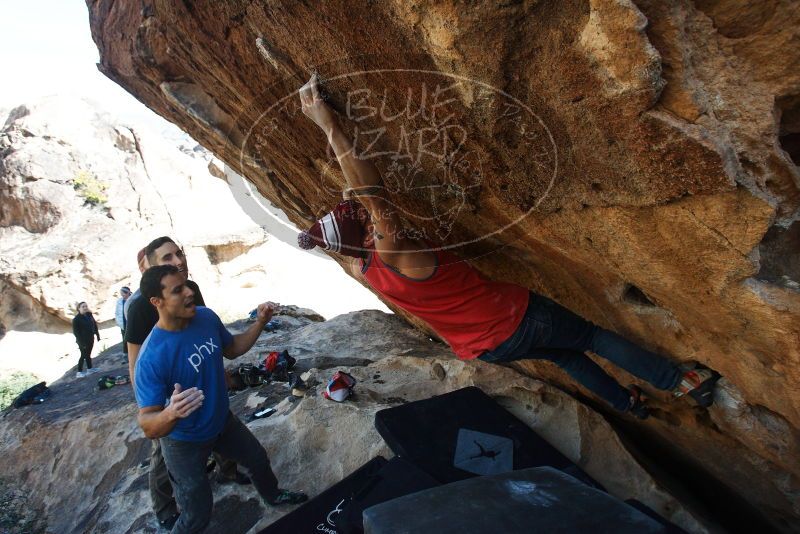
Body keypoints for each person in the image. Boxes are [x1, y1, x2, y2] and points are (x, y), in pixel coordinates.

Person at [296, 75, 717, 419]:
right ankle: (678, 381)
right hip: (514, 317)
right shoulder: (393, 249)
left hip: (490, 346)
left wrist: (334, 147)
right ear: (366, 233)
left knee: (568, 359)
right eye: (361, 220)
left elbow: (357, 194)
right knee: (591, 336)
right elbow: (372, 193)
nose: (364, 215)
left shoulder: (362, 264)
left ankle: (627, 404)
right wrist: (328, 125)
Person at [134, 265, 307, 533]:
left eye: (187, 284)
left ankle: (273, 496)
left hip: (222, 422)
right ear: (157, 301)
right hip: (184, 441)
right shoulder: (152, 356)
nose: (190, 292)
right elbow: (147, 423)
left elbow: (233, 348)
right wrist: (170, 413)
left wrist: (260, 321)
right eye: (178, 290)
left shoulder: (205, 317)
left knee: (257, 460)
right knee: (197, 511)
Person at [126, 238, 248, 530]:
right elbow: (135, 359)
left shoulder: (191, 290)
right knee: (164, 453)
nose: (178, 260)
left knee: (218, 421)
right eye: (168, 258)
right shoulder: (141, 307)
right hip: (169, 396)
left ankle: (226, 470)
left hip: (198, 379)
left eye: (179, 253)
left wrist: (219, 374)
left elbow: (205, 335)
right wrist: (151, 406)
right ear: (153, 269)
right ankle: (166, 508)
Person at [72, 301, 100, 378]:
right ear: (79, 308)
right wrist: (82, 343)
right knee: (83, 355)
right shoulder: (76, 319)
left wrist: (97, 335)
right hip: (82, 341)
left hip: (90, 338)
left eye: (86, 306)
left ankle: (90, 369)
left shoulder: (89, 315)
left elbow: (94, 324)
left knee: (88, 354)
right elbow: (76, 333)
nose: (85, 308)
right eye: (83, 307)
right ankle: (79, 372)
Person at [115, 286, 131, 362]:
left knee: (132, 338)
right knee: (124, 339)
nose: (122, 295)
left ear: (127, 293)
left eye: (123, 293)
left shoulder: (133, 299)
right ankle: (125, 354)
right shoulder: (119, 301)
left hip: (132, 323)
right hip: (123, 324)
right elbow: (117, 312)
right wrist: (118, 322)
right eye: (121, 294)